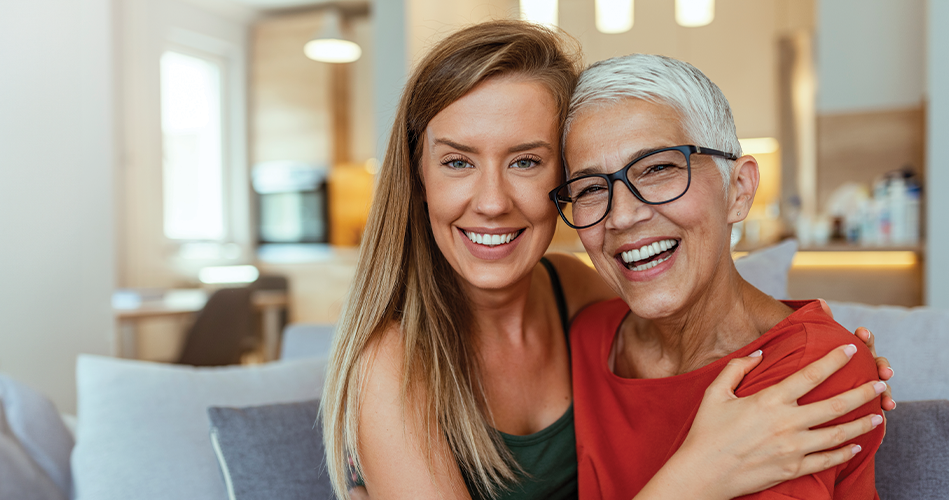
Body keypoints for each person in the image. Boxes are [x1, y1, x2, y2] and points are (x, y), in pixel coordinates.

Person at [320, 21, 894, 500]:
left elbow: (701, 317)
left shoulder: (579, 298)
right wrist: (696, 477)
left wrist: (827, 350)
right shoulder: (393, 362)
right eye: (457, 162)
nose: (492, 202)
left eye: (525, 161)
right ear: (417, 179)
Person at [555, 53, 886, 499]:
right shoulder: (586, 339)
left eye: (658, 169)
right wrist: (696, 475)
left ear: (739, 190)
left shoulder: (815, 369)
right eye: (591, 188)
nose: (623, 216)